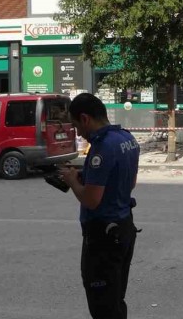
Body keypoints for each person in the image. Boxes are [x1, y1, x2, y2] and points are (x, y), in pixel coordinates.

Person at [59, 93, 140, 319]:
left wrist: (72, 181)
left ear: (85, 119)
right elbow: (129, 182)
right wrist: (89, 176)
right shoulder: (127, 139)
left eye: (76, 126)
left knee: (103, 305)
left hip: (103, 237)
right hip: (123, 228)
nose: (78, 133)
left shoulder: (102, 147)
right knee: (115, 299)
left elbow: (91, 200)